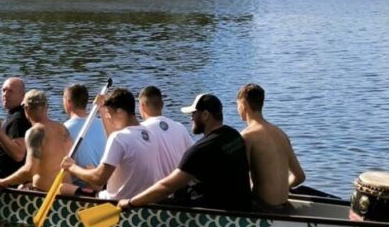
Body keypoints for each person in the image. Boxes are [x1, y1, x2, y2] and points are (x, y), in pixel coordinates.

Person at [117, 93, 251, 212]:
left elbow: (166, 187)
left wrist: (130, 202)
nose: (191, 118)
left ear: (205, 115)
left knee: (163, 196)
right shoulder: (234, 135)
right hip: (241, 206)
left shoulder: (201, 150)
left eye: (193, 113)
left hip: (215, 214)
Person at [61, 88, 170, 200]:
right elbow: (117, 140)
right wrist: (103, 109)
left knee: (63, 188)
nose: (108, 117)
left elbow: (99, 178)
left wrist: (72, 167)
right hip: (144, 199)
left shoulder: (118, 139)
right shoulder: (149, 133)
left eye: (109, 113)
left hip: (114, 201)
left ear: (120, 112)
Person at [236, 83, 306, 210]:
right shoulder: (281, 134)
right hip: (284, 208)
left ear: (244, 104)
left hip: (263, 210)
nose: (237, 109)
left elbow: (241, 180)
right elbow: (300, 176)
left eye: (237, 105)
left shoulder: (247, 136)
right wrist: (283, 187)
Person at [0, 90, 74, 194]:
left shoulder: (35, 132)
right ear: (47, 107)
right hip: (66, 190)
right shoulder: (62, 128)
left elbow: (30, 170)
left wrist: (4, 181)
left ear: (26, 109)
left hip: (46, 194)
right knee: (24, 185)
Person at [138, 86, 194, 173]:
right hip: (181, 183)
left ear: (142, 106)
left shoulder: (139, 131)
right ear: (162, 104)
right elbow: (195, 156)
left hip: (156, 185)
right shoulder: (179, 127)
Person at [0, 77, 30, 178]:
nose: (5, 94)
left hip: (1, 180)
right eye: (3, 90)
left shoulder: (18, 118)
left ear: (22, 95)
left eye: (10, 91)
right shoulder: (16, 115)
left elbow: (19, 154)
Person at [62, 83, 105, 170]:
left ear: (68, 102)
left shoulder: (63, 129)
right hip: (104, 177)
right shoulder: (104, 125)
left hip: (80, 181)